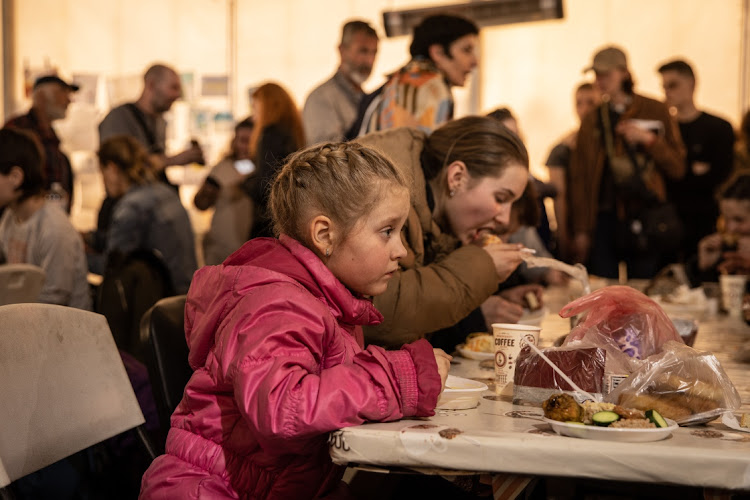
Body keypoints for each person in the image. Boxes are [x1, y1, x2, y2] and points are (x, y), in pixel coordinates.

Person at [139, 142, 450, 499]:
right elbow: (282, 409)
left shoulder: (328, 304)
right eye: (387, 231)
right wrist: (400, 379)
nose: (402, 251)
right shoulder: (279, 305)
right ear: (324, 235)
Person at [356, 116, 529, 348]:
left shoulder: (440, 219)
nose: (505, 219)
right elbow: (372, 313)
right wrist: (481, 267)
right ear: (456, 177)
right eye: (500, 198)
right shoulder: (379, 189)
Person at [569, 45, 685, 279]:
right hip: (603, 218)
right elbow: (579, 177)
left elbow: (677, 167)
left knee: (643, 288)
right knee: (605, 289)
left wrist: (649, 140)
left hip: (644, 214)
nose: (600, 81)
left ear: (623, 72)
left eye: (606, 74)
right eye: (597, 75)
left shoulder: (655, 109)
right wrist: (582, 229)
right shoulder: (592, 119)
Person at [0, 129, 90, 310]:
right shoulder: (9, 217)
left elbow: (53, 304)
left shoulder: (54, 229)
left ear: (16, 177)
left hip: (62, 331)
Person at [97, 135, 197, 295]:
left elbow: (110, 267)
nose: (102, 180)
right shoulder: (165, 192)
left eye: (102, 172)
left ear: (112, 168)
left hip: (161, 303)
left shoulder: (131, 207)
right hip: (187, 292)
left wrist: (77, 257)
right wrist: (91, 238)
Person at [657, 59, 735, 260]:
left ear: (691, 83)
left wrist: (682, 173)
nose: (667, 92)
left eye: (673, 85)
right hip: (666, 226)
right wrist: (692, 171)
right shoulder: (662, 132)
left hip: (704, 223)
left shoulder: (719, 128)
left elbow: (719, 176)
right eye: (664, 87)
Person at [354, 14, 479, 136]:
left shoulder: (401, 79)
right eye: (466, 50)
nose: (475, 62)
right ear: (438, 52)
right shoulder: (430, 85)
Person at [4, 75, 79, 211]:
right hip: (23, 221)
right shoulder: (18, 128)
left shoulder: (51, 134)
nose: (69, 101)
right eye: (62, 92)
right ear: (41, 97)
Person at [241, 82, 305, 238]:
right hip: (288, 217)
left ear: (267, 106)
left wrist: (245, 183)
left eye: (255, 106)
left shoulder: (269, 134)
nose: (253, 112)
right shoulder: (293, 132)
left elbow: (265, 184)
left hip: (268, 221)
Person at [545, 82, 600, 260]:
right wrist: (564, 238)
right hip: (577, 234)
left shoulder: (608, 146)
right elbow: (559, 198)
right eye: (579, 103)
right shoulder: (564, 149)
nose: (584, 109)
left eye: (590, 102)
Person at [302, 20, 378, 145]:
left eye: (374, 52)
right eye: (363, 51)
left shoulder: (367, 98)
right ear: (342, 50)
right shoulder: (321, 99)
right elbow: (326, 159)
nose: (369, 60)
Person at [194, 117, 255, 265]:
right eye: (242, 140)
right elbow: (200, 204)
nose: (245, 147)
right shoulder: (222, 167)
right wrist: (208, 191)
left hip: (251, 252)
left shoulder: (264, 169)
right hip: (221, 253)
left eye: (250, 141)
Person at [690, 173, 750, 284]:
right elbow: (704, 296)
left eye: (739, 220)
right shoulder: (727, 249)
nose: (730, 228)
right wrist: (705, 267)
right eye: (726, 219)